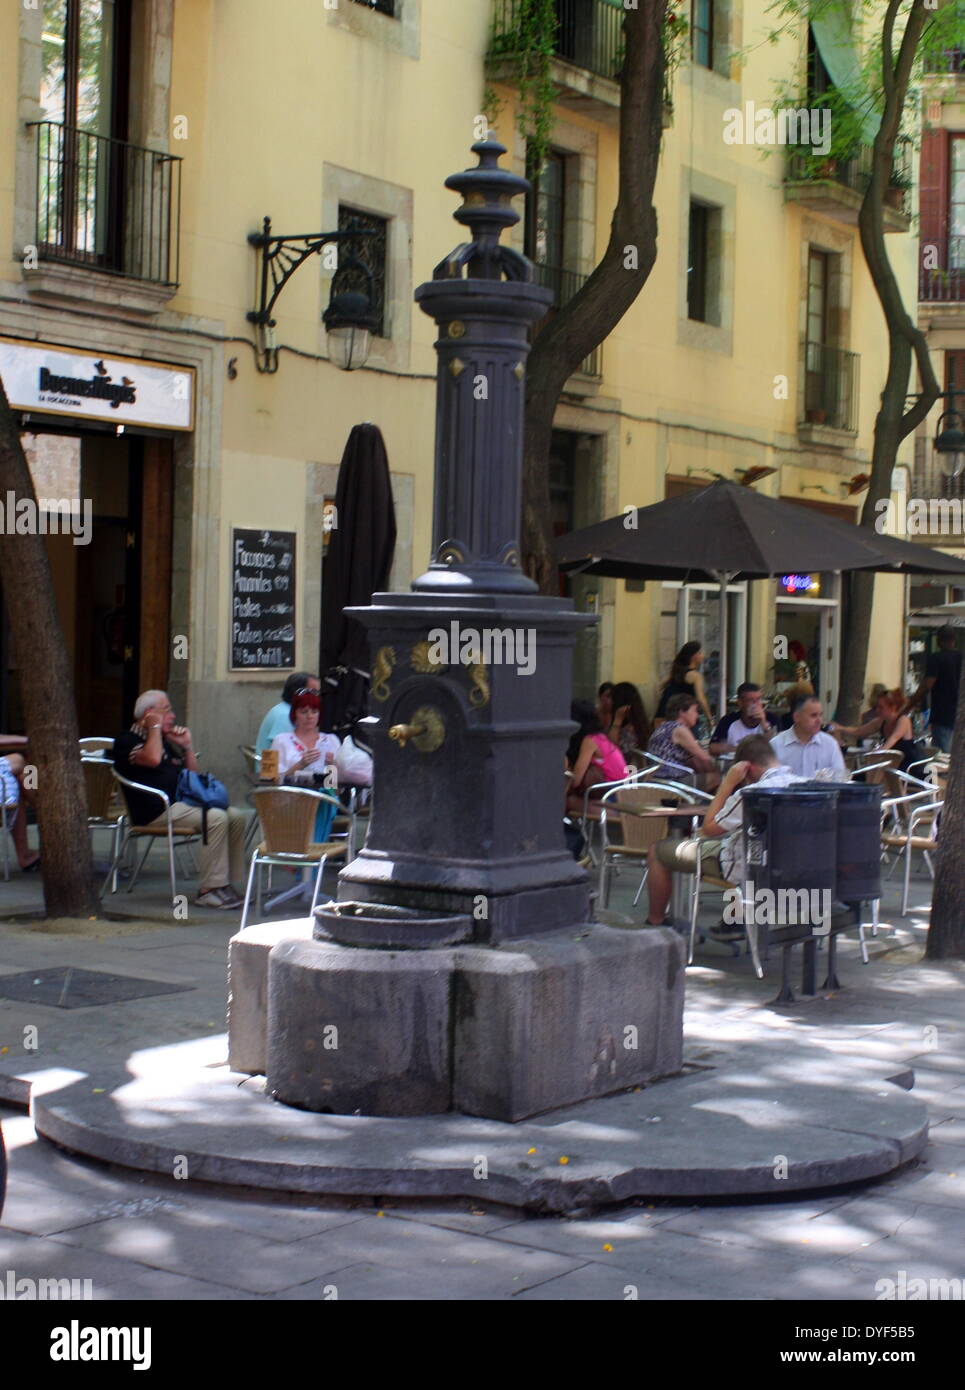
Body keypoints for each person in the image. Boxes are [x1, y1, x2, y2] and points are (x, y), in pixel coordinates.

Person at [645, 735, 802, 928]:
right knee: (738, 842)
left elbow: (709, 828)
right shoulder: (805, 786)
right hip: (791, 869)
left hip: (744, 866)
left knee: (658, 851)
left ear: (746, 768)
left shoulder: (751, 793)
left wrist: (727, 783)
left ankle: (656, 922)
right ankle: (734, 921)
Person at [114, 690, 249, 910]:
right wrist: (155, 728)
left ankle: (226, 884)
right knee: (215, 818)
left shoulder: (165, 742)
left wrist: (187, 746)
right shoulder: (126, 740)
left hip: (181, 804)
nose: (173, 716)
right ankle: (209, 890)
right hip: (155, 811)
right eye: (167, 710)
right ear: (149, 714)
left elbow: (192, 778)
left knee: (235, 816)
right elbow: (152, 758)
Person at [832, 689, 922, 773]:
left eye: (881, 707)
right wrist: (840, 728)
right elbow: (859, 731)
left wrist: (880, 751)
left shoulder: (903, 720)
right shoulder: (880, 721)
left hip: (908, 767)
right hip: (891, 765)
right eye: (876, 707)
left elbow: (895, 737)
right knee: (859, 776)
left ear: (892, 707)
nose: (877, 710)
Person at [646, 693, 719, 789]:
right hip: (672, 782)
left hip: (656, 780)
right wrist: (720, 769)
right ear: (682, 712)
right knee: (719, 778)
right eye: (695, 711)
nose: (697, 715)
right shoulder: (679, 729)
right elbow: (704, 757)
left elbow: (693, 759)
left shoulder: (663, 727)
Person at [566, 701, 627, 813]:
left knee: (567, 801)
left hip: (614, 803)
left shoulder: (590, 741)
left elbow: (576, 780)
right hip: (625, 797)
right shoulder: (601, 737)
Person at [911, 626, 961, 754]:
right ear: (954, 640)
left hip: (942, 715)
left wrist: (912, 702)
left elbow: (928, 684)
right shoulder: (962, 657)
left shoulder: (936, 658)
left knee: (942, 755)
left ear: (938, 641)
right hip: (960, 714)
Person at [771, 694, 845, 777]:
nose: (819, 720)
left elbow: (839, 778)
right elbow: (769, 781)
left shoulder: (830, 744)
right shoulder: (776, 745)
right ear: (797, 717)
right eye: (813, 715)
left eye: (821, 715)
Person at [255, 672, 321, 756]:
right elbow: (284, 753)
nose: (317, 696)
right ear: (297, 692)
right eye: (313, 692)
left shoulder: (284, 708)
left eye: (317, 692)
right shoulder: (284, 715)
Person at [654, 642, 714, 729]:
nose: (703, 656)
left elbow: (659, 686)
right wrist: (710, 718)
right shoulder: (696, 676)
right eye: (700, 653)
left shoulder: (675, 672)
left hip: (663, 715)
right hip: (683, 719)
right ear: (694, 656)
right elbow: (701, 699)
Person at [709, 682, 774, 754]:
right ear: (740, 703)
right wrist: (742, 750)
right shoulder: (728, 720)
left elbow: (775, 746)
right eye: (750, 700)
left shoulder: (771, 718)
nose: (756, 704)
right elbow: (713, 748)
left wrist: (764, 724)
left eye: (758, 699)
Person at [0, 754, 40, 871]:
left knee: (21, 778)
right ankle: (41, 806)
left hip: (8, 804)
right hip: (5, 805)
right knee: (24, 764)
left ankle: (25, 854)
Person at [605, 681, 651, 764]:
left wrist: (617, 721)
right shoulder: (639, 725)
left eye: (611, 699)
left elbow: (611, 749)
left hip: (628, 772)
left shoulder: (629, 730)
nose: (609, 702)